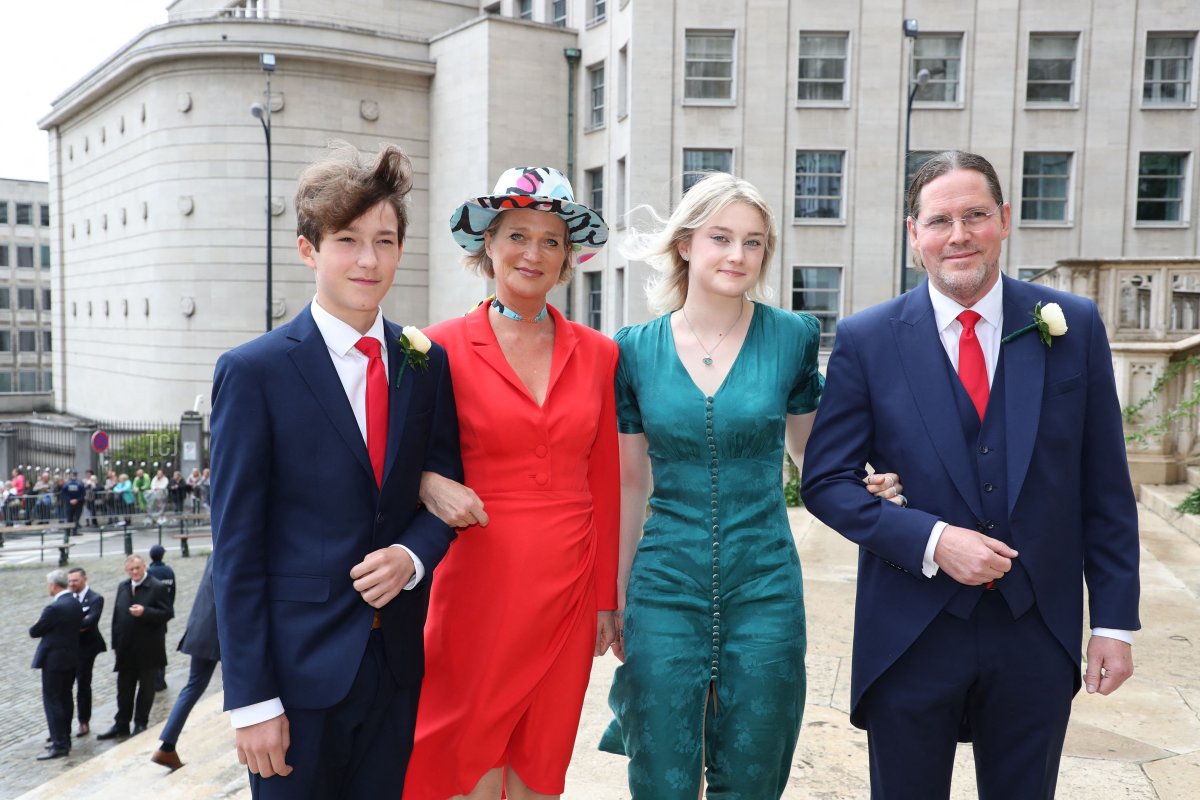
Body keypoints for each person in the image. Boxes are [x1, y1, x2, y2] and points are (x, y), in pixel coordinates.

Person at [801, 150, 1141, 799]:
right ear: (914, 234)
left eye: (975, 215)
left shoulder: (1073, 326)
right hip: (910, 630)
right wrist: (930, 540)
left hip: (1036, 629)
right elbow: (826, 480)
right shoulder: (868, 337)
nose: (957, 235)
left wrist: (1114, 623)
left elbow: (1105, 487)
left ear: (1004, 220)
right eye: (939, 220)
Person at [595, 173, 901, 798]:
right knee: (660, 772)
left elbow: (814, 456)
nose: (738, 255)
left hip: (764, 579)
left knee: (757, 768)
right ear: (685, 244)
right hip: (663, 583)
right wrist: (614, 594)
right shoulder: (631, 350)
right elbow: (631, 484)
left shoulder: (792, 336)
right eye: (721, 237)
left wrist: (865, 483)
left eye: (754, 242)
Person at [210, 141, 461, 799]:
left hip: (398, 667)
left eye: (385, 239)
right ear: (308, 249)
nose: (369, 260)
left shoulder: (423, 363)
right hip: (295, 680)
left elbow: (441, 482)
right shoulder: (254, 372)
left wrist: (412, 554)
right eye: (348, 240)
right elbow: (235, 547)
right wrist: (253, 700)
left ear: (403, 249)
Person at [404, 166, 619, 800]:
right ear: (488, 246)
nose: (533, 253)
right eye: (518, 235)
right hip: (473, 582)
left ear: (568, 257)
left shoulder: (602, 353)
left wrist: (608, 597)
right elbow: (392, 462)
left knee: (540, 759)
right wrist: (422, 482)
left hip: (571, 586)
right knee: (458, 753)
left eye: (551, 240)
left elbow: (605, 478)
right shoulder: (432, 348)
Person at [152, 555, 220, 772]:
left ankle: (167, 745)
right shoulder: (227, 552)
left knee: (193, 686)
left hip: (201, 628)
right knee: (243, 685)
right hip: (220, 631)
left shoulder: (214, 554)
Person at [97, 554, 174, 740]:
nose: (134, 572)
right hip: (126, 648)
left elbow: (167, 613)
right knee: (124, 688)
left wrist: (145, 612)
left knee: (146, 689)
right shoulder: (123, 587)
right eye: (131, 569)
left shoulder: (157, 587)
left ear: (144, 566)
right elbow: (116, 616)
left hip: (149, 648)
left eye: (137, 568)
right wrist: (115, 643)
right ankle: (121, 724)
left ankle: (141, 723)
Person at [30, 568, 84, 760]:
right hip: (70, 657)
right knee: (65, 698)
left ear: (53, 585)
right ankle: (64, 738)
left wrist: (37, 622)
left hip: (54, 660)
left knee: (52, 700)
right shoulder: (75, 603)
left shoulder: (54, 608)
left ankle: (59, 742)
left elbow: (35, 631)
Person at [67, 566, 106, 737]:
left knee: (83, 684)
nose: (72, 584)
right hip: (69, 648)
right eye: (69, 581)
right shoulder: (67, 598)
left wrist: (67, 625)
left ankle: (84, 721)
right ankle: (63, 725)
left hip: (87, 648)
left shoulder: (95, 598)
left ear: (84, 579)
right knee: (65, 686)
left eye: (75, 580)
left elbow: (88, 624)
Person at [147, 543, 177, 691]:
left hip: (150, 616)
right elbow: (173, 593)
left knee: (150, 649)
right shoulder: (169, 571)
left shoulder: (149, 572)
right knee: (161, 647)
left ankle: (154, 680)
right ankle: (161, 679)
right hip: (163, 615)